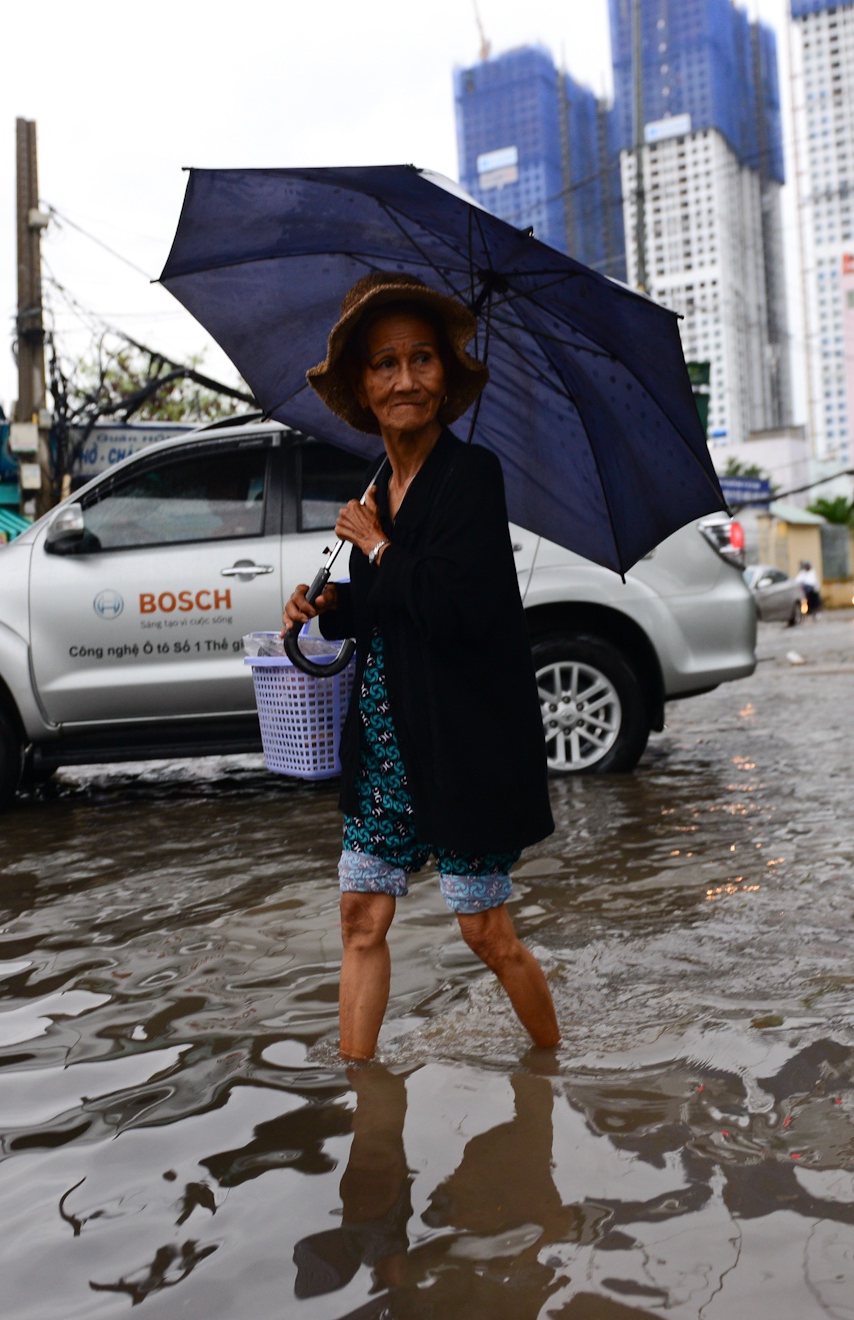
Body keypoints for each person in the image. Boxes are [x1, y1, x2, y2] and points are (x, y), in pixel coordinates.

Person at [282, 271, 560, 1062]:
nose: (405, 379)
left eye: (422, 360)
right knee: (360, 920)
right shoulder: (378, 485)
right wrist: (326, 607)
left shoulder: (473, 477)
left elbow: (456, 609)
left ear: (445, 377)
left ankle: (551, 1066)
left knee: (485, 932)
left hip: (460, 745)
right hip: (384, 748)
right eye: (384, 364)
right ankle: (359, 1091)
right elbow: (384, 609)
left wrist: (374, 543)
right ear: (362, 388)